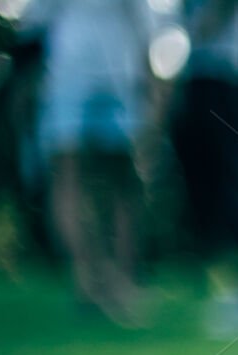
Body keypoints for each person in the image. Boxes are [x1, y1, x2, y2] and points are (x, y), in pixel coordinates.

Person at [21, 0, 154, 324]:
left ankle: (99, 280)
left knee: (88, 178)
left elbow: (32, 23)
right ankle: (103, 280)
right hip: (97, 70)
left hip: (85, 70)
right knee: (103, 179)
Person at [169, 0, 238, 337]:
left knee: (229, 183)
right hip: (207, 76)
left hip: (225, 77)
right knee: (209, 185)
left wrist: (185, 40)